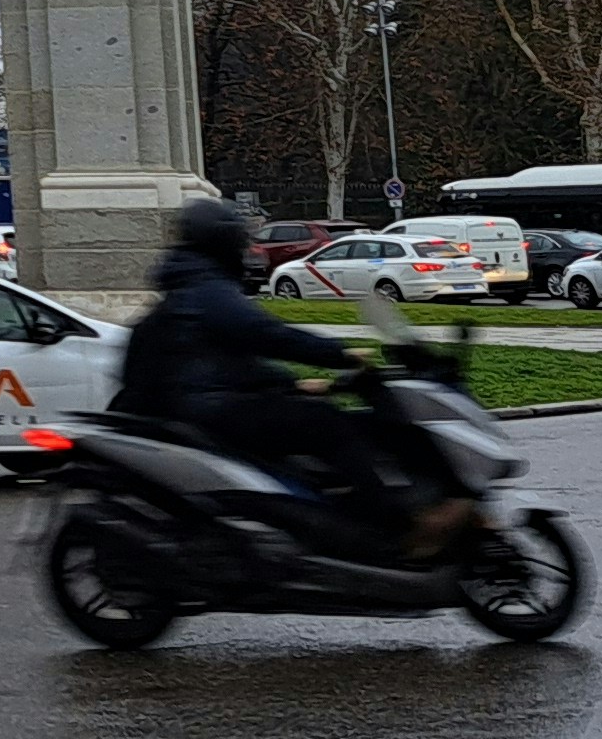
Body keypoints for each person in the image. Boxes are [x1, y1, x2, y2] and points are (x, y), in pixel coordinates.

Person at [116, 200, 475, 558]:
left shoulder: (194, 286)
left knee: (334, 418)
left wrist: (292, 384)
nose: (247, 251)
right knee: (329, 426)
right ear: (222, 243)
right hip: (217, 409)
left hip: (213, 402)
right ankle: (393, 526)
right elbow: (265, 334)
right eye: (241, 242)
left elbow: (226, 358)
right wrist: (339, 354)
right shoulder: (207, 290)